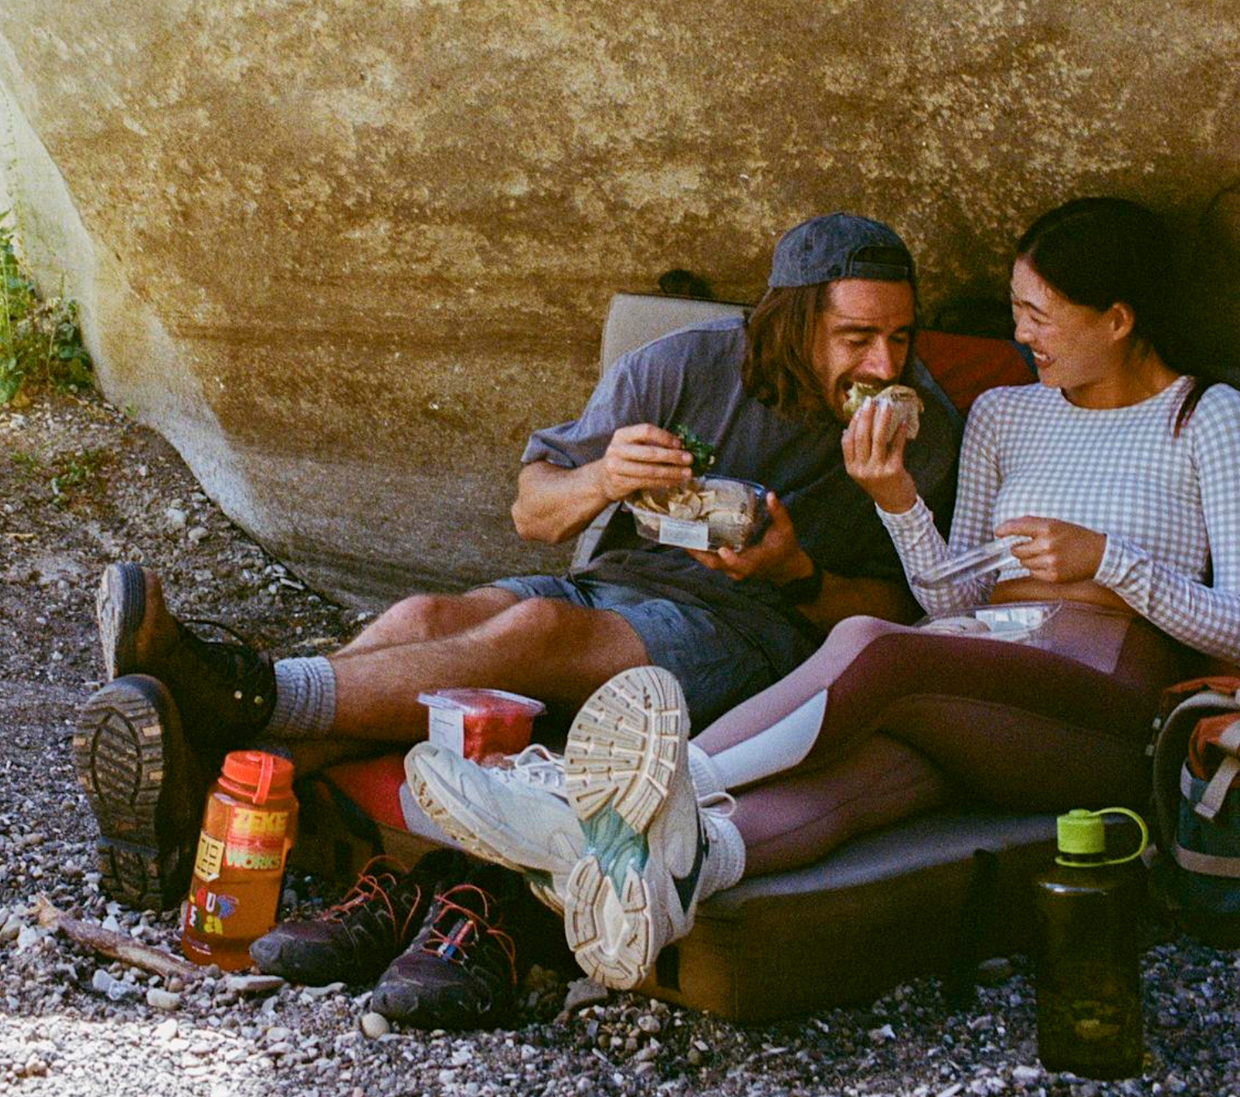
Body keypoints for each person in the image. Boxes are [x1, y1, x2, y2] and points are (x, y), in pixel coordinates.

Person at [409, 196, 1240, 990]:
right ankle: (661, 880)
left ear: (1117, 319)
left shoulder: (1208, 417)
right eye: (1016, 311)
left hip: (1098, 696)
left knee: (874, 644)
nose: (1020, 336)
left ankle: (605, 794)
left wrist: (1109, 561)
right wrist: (894, 497)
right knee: (848, 785)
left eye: (1037, 315)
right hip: (982, 672)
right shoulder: (1004, 414)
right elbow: (950, 604)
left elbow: (1236, 628)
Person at [73, 212, 961, 911]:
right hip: (612, 586)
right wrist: (605, 477)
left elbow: (912, 617)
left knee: (535, 631)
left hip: (754, 631)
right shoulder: (685, 366)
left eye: (901, 336)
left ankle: (240, 688)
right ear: (793, 321)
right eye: (856, 338)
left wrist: (793, 571)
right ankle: (214, 787)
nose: (884, 363)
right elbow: (533, 510)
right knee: (426, 616)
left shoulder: (921, 431)